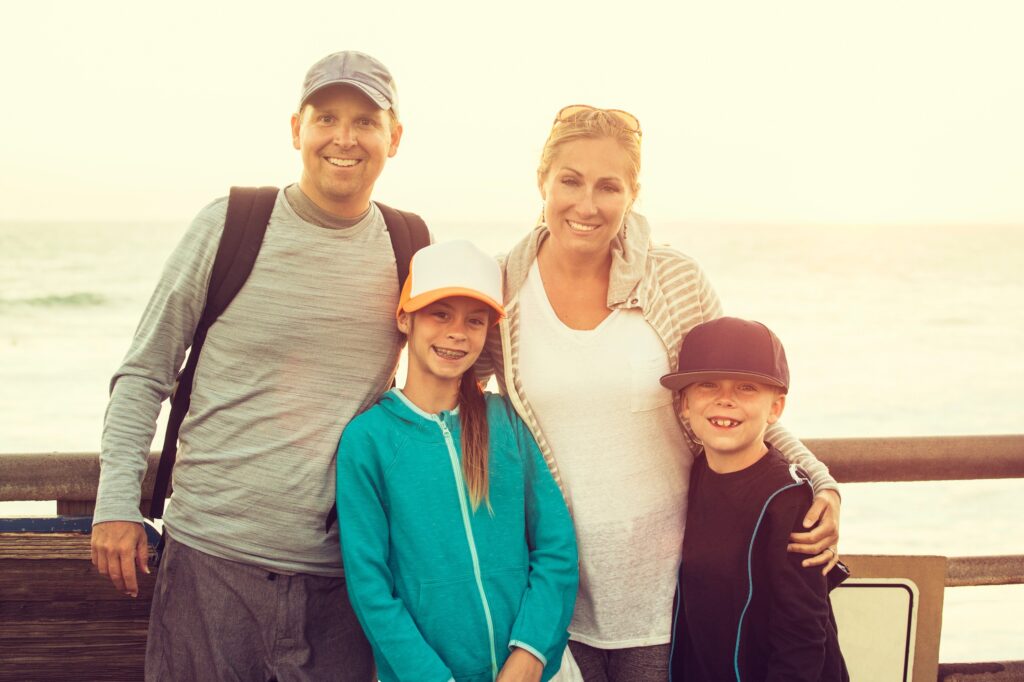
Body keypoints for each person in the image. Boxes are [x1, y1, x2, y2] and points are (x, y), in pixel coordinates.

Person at [474, 105, 843, 681]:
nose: (587, 204)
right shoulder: (501, 291)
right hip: (556, 600)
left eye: (609, 186)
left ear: (633, 193)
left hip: (673, 599)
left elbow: (735, 398)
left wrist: (817, 480)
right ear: (541, 181)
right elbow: (451, 408)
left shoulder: (674, 279)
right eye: (569, 181)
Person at [90, 51, 411, 680]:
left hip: (345, 581)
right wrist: (115, 505)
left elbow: (453, 378)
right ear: (297, 129)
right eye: (326, 118)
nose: (344, 138)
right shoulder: (231, 225)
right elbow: (145, 372)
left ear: (393, 138)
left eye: (366, 122)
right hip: (211, 564)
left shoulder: (410, 245)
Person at [336, 240, 579, 682]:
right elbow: (370, 586)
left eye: (475, 320)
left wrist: (530, 652)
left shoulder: (506, 422)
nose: (457, 333)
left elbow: (555, 546)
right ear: (405, 317)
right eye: (440, 314)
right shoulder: (368, 440)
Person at [661, 317, 849, 681]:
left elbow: (803, 633)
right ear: (684, 403)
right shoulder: (698, 471)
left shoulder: (789, 499)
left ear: (776, 408)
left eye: (747, 388)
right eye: (707, 385)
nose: (725, 400)